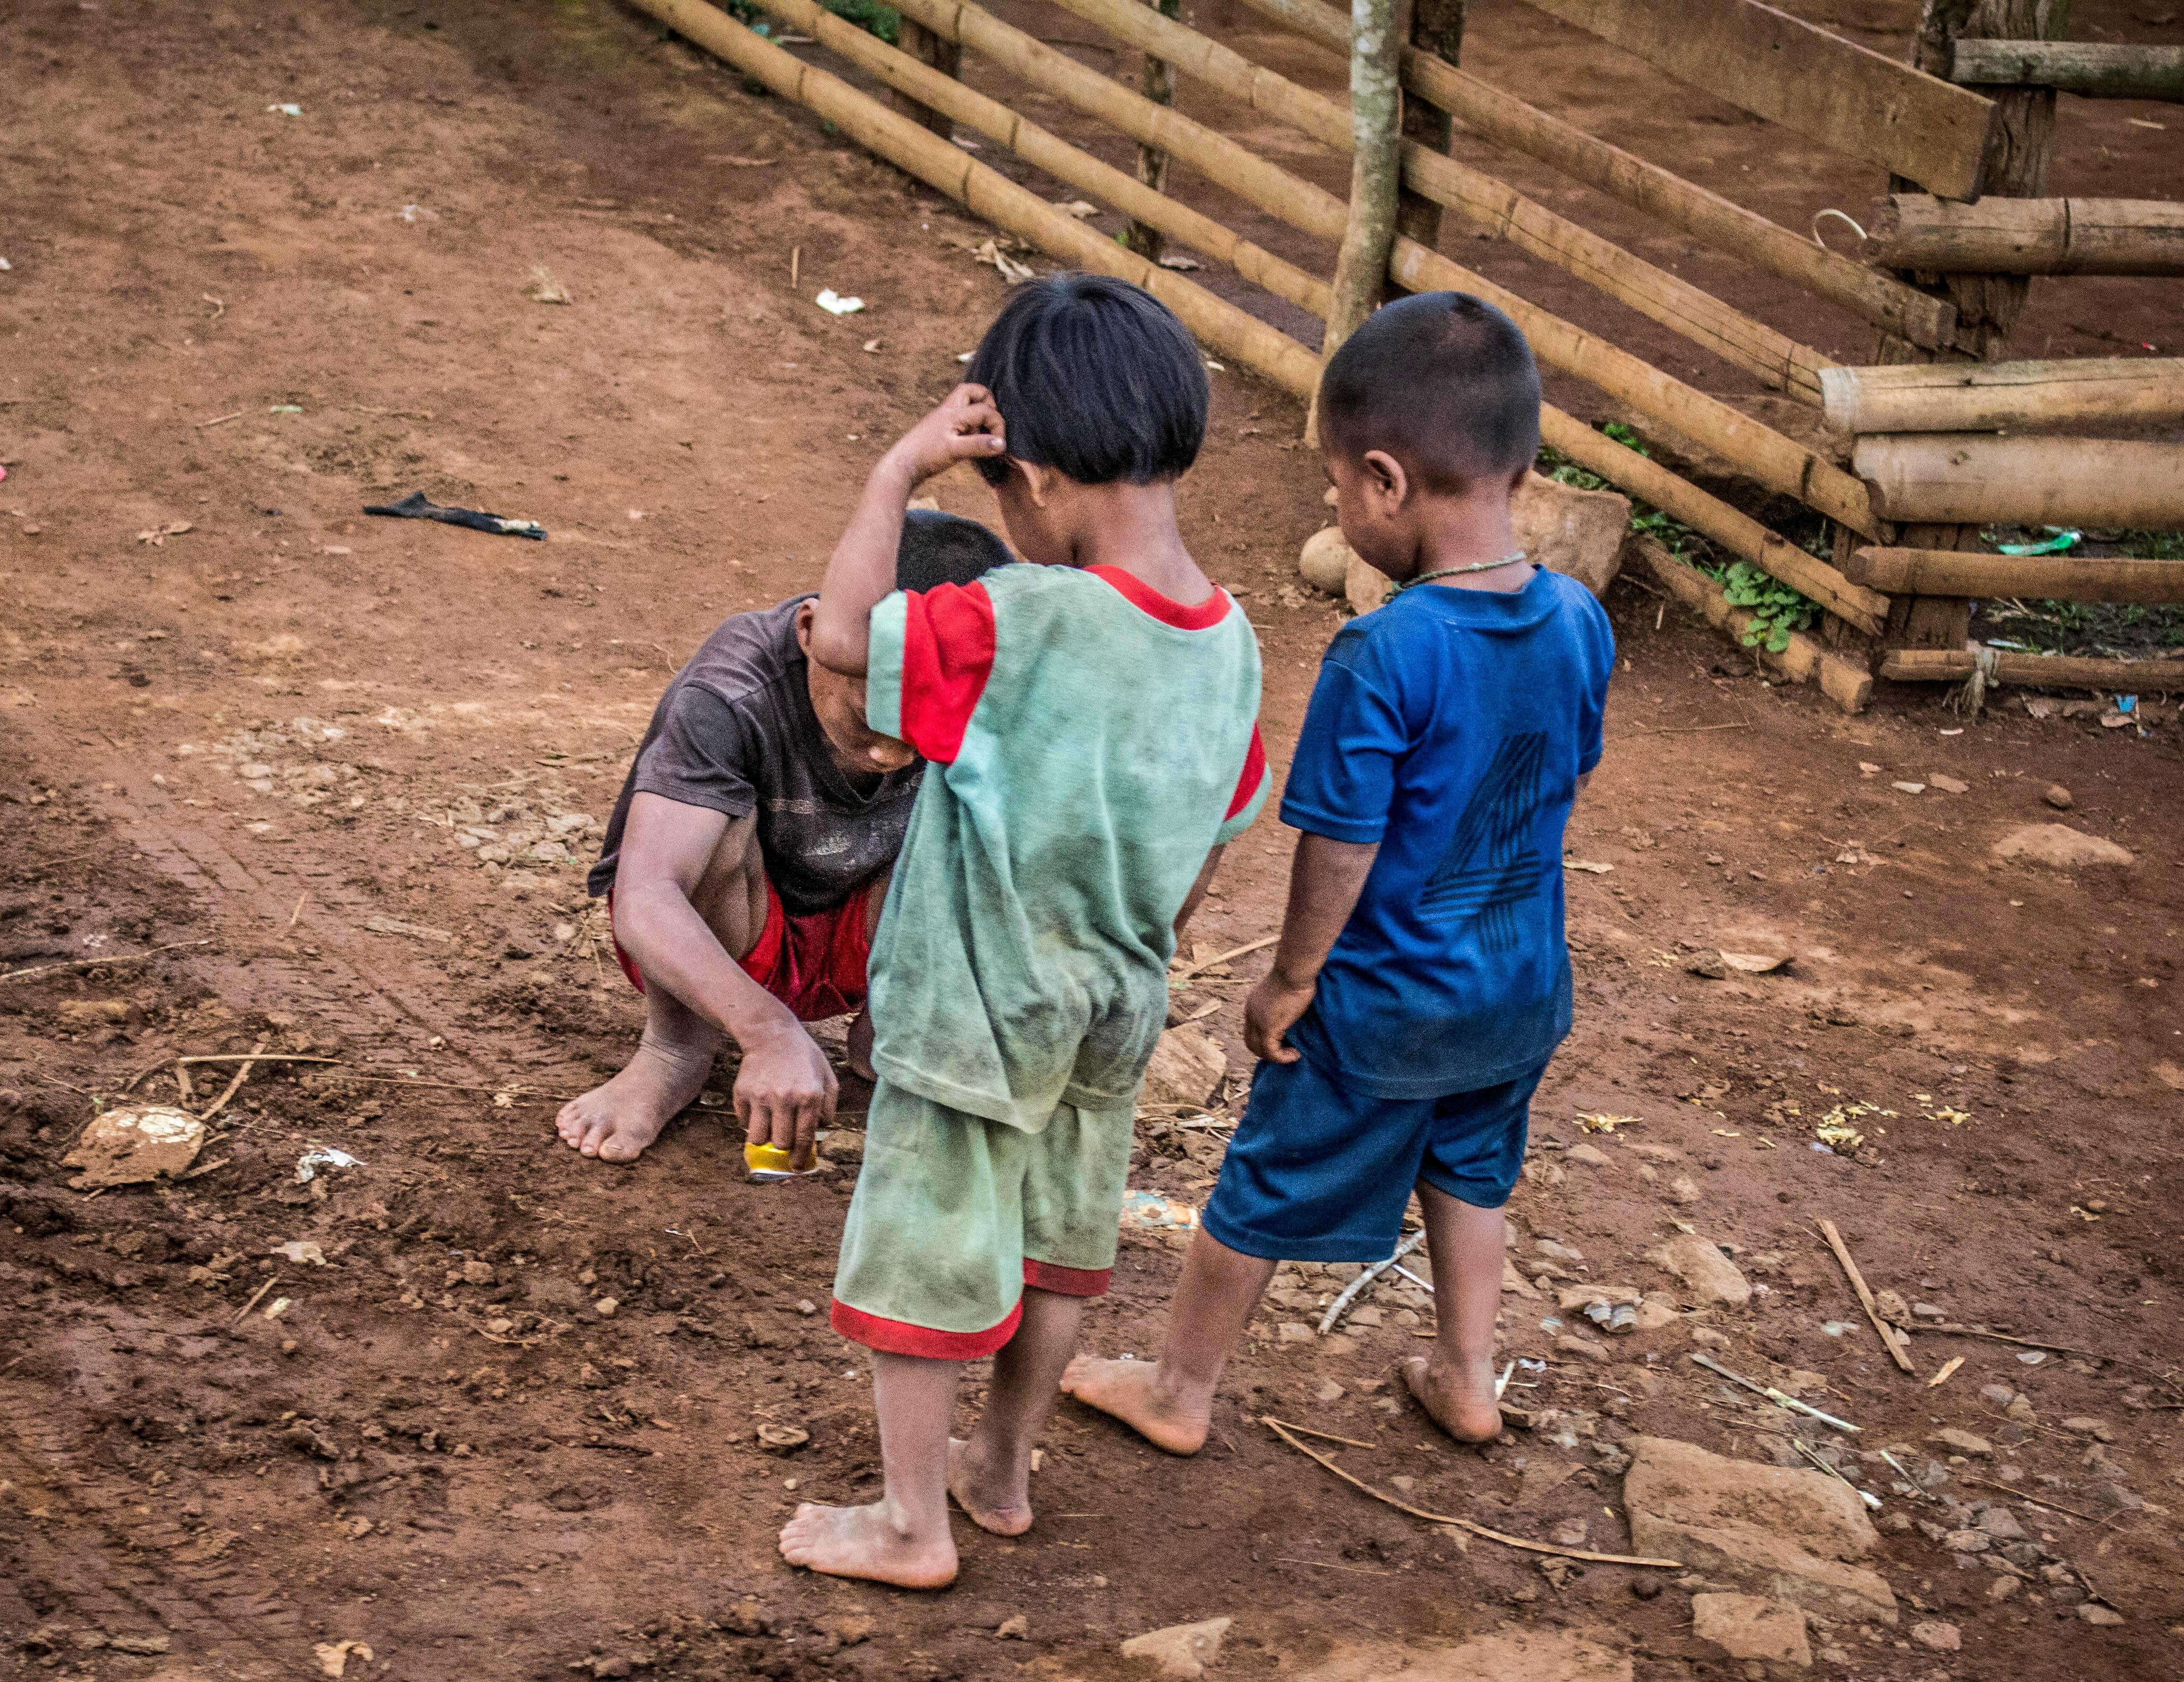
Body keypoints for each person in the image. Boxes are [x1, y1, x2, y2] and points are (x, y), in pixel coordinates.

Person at [777, 275, 1269, 1589]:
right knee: (1059, 1242)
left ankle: (906, 1522)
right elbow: (1217, 837)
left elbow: (837, 640)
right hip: (1113, 1004)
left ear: (1038, 479)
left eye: (1001, 496)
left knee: (929, 1242)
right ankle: (997, 1473)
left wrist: (894, 473)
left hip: (971, 1003)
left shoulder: (1016, 619)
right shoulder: (1232, 646)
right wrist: (1141, 949)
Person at [1064, 290, 1614, 1454]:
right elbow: (1563, 774)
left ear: (1384, 482)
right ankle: (1469, 1378)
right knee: (1472, 1173)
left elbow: (1343, 841)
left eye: (1330, 486)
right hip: (1522, 988)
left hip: (1386, 1004)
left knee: (1264, 1184)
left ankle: (1179, 1388)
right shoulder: (1577, 619)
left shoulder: (1389, 646)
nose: (1335, 506)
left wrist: (1290, 978)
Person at [557, 509, 1014, 1165]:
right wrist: (769, 1031)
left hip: (872, 934)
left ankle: (892, 1031)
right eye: (871, 712)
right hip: (736, 941)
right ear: (812, 633)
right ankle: (676, 1049)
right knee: (713, 823)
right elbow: (647, 897)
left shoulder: (990, 684)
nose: (893, 752)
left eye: (925, 723)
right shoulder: (733, 689)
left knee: (984, 815)